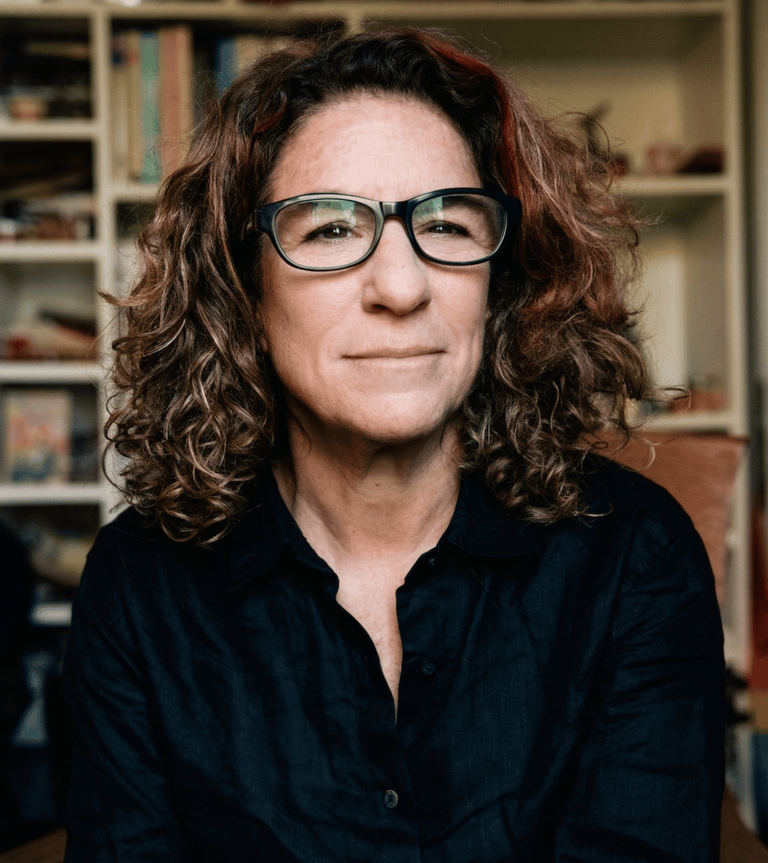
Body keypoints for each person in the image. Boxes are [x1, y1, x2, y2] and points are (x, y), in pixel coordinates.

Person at [63, 27, 724, 862]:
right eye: (331, 230)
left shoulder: (634, 557)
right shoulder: (139, 587)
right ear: (245, 289)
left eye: (446, 224)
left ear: (499, 282)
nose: (402, 286)